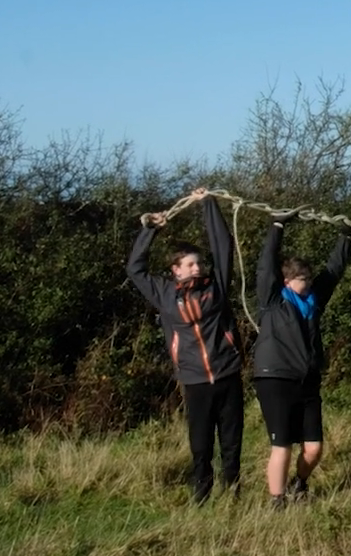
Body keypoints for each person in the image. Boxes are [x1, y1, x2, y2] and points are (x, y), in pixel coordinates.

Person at [125, 188, 245, 504]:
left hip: (227, 373)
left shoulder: (216, 287)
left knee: (232, 440)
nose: (197, 268)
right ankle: (201, 495)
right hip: (194, 380)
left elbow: (223, 246)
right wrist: (150, 231)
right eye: (190, 264)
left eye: (199, 263)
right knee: (201, 444)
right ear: (175, 270)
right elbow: (135, 269)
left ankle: (233, 493)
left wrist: (208, 204)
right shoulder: (164, 294)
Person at [251, 213, 349, 508]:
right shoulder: (272, 300)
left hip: (307, 380)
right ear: (287, 280)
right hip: (275, 378)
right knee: (282, 445)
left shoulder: (313, 301)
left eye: (307, 279)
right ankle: (277, 500)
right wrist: (277, 226)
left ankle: (300, 483)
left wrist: (346, 237)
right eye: (300, 280)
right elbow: (266, 264)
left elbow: (332, 272)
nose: (306, 284)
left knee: (314, 448)